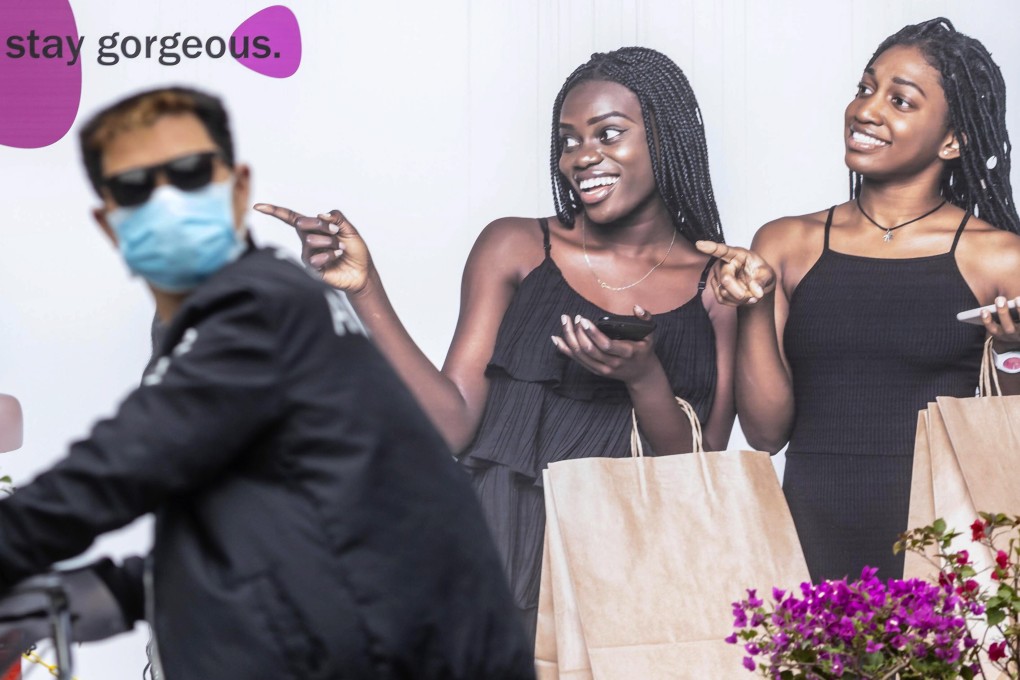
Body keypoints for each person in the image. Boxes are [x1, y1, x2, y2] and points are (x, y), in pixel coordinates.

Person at [0, 86, 534, 679]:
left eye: (191, 176)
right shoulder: (238, 313)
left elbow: (116, 469)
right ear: (110, 221)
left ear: (237, 190)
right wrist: (127, 592)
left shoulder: (262, 311)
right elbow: (273, 524)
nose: (169, 205)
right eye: (135, 190)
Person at [255, 46, 737, 640]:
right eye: (567, 140)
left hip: (631, 571)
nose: (582, 158)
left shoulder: (717, 283)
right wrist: (363, 288)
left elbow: (701, 471)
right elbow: (452, 424)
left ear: (666, 138)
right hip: (498, 552)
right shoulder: (514, 248)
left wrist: (644, 378)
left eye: (608, 134)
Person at [697, 17, 1020, 583]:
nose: (866, 111)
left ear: (952, 140)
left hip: (945, 538)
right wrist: (754, 304)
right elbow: (768, 433)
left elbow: (1009, 439)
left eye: (900, 100)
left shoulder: (998, 257)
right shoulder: (785, 244)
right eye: (865, 88)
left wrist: (1012, 353)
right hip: (809, 528)